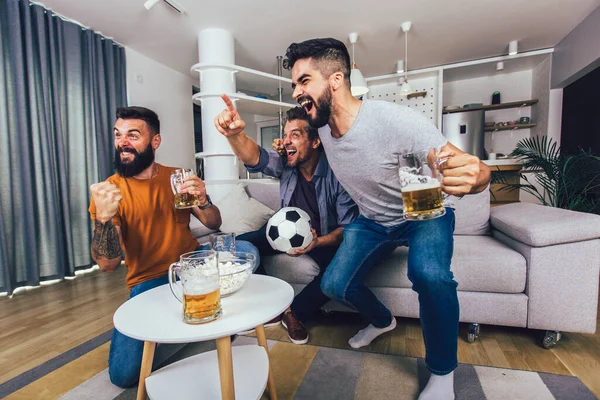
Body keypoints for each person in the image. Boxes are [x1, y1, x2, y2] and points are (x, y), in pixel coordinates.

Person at [281, 38, 491, 400]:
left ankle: (442, 372)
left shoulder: (395, 120)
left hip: (424, 214)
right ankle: (382, 320)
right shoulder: (321, 133)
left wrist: (479, 174)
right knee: (334, 285)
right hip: (373, 221)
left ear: (335, 80)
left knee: (429, 275)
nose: (296, 91)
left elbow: (456, 161)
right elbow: (284, 152)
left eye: (304, 81)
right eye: (295, 84)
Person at [88, 106, 258, 388]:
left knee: (248, 252)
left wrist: (202, 199)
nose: (123, 142)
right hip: (148, 281)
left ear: (155, 142)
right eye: (118, 135)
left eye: (133, 135)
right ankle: (191, 328)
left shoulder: (177, 176)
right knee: (123, 375)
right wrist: (104, 219)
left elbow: (214, 222)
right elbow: (107, 265)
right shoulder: (110, 190)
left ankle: (191, 320)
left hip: (193, 266)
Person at [214, 99, 358, 344]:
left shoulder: (337, 174)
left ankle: (294, 314)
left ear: (315, 141)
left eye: (295, 135)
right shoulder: (286, 163)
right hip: (280, 234)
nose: (286, 141)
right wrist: (235, 135)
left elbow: (347, 228)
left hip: (324, 240)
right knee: (234, 246)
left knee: (335, 275)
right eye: (285, 135)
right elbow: (255, 157)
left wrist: (317, 241)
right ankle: (268, 307)